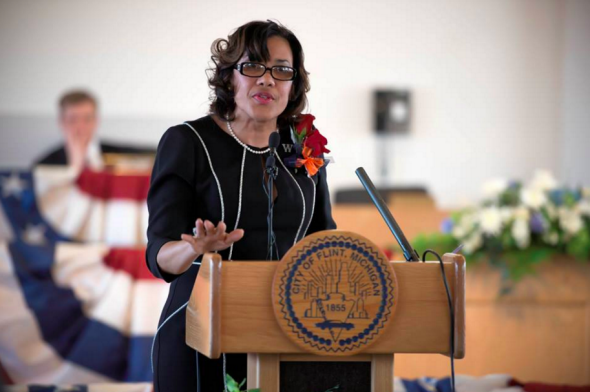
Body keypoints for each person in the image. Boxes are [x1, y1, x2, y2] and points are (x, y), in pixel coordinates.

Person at [146, 20, 336, 391]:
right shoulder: (187, 142)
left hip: (287, 337)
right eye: (253, 66)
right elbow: (158, 255)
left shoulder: (303, 149)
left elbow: (321, 243)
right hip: (199, 338)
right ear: (229, 77)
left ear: (293, 84)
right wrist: (193, 248)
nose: (267, 80)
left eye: (281, 70)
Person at [36, 89, 155, 169]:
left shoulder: (119, 153)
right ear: (61, 122)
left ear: (96, 120)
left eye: (87, 119)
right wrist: (76, 165)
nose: (80, 127)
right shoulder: (44, 166)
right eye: (73, 120)